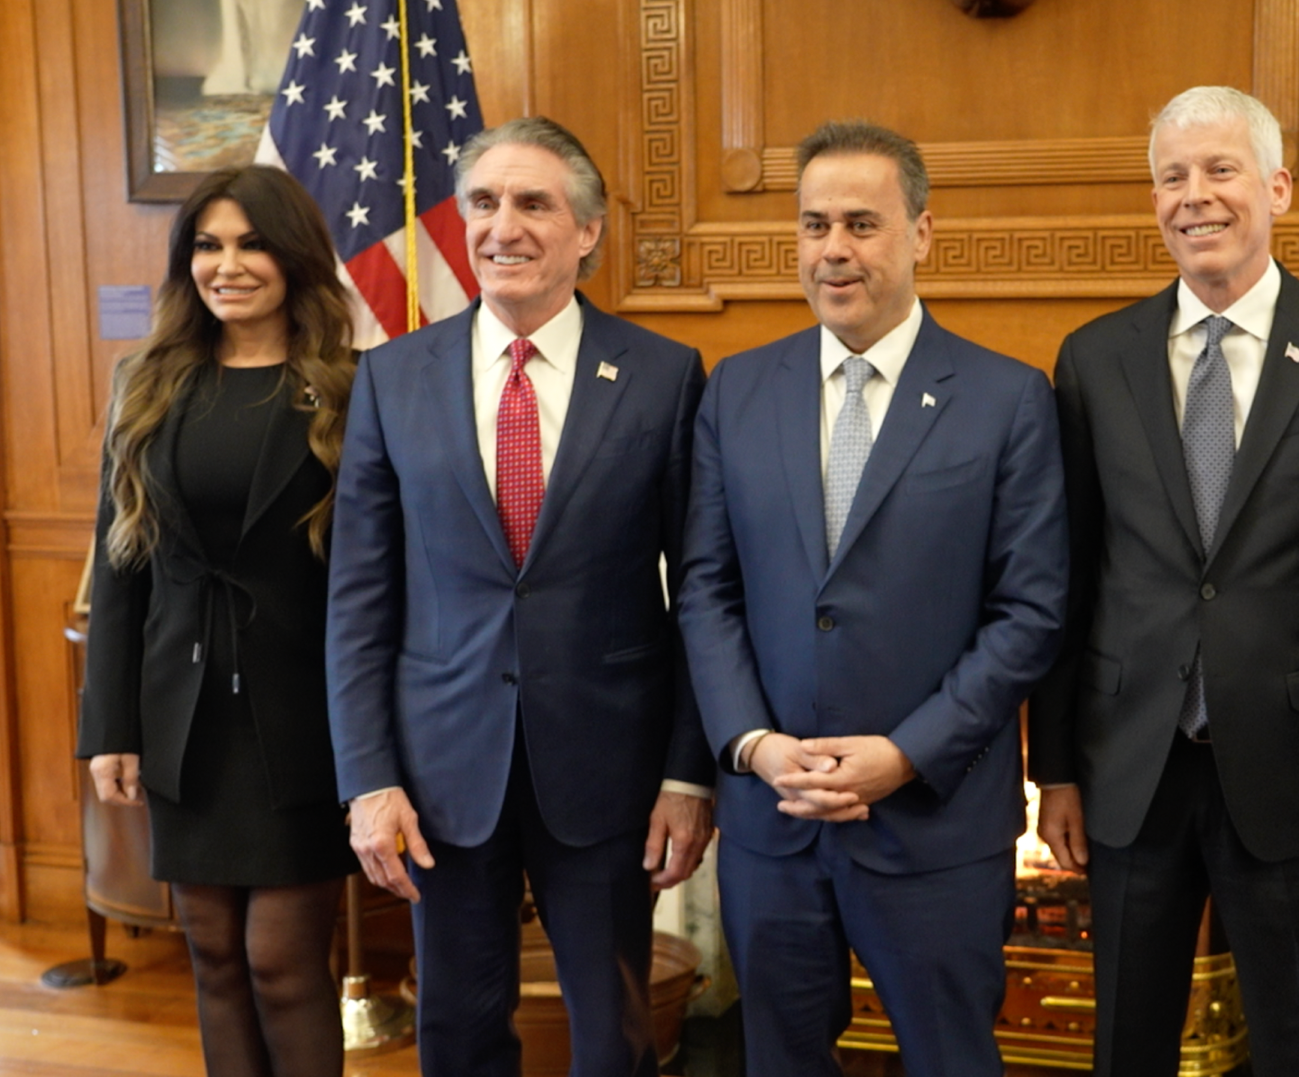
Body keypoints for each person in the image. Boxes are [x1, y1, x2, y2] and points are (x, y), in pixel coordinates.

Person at [1028, 86, 1299, 1076]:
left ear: (1277, 187)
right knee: (1126, 1045)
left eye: (1221, 170)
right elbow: (1069, 583)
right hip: (1131, 768)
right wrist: (1056, 769)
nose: (1195, 196)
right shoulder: (1094, 360)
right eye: (1173, 177)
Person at [678, 119, 1069, 1076]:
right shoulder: (736, 391)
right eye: (814, 225)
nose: (834, 250)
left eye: (861, 223)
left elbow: (1029, 612)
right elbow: (706, 589)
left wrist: (905, 754)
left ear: (921, 232)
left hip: (935, 828)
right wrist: (753, 745)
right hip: (773, 824)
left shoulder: (1008, 398)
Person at [326, 116, 713, 1077]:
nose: (504, 226)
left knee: (616, 1036)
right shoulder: (391, 377)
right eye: (484, 203)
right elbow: (360, 599)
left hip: (608, 768)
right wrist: (368, 778)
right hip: (441, 774)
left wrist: (688, 774)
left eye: (534, 203)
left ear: (587, 231)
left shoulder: (665, 376)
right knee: (457, 1034)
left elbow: (704, 590)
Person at [78, 164, 360, 1077]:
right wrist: (110, 727)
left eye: (251, 244)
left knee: (282, 962)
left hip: (303, 722)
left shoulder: (351, 388)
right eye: (207, 245)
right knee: (215, 959)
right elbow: (120, 567)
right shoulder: (147, 383)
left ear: (295, 256)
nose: (227, 265)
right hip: (184, 719)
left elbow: (379, 577)